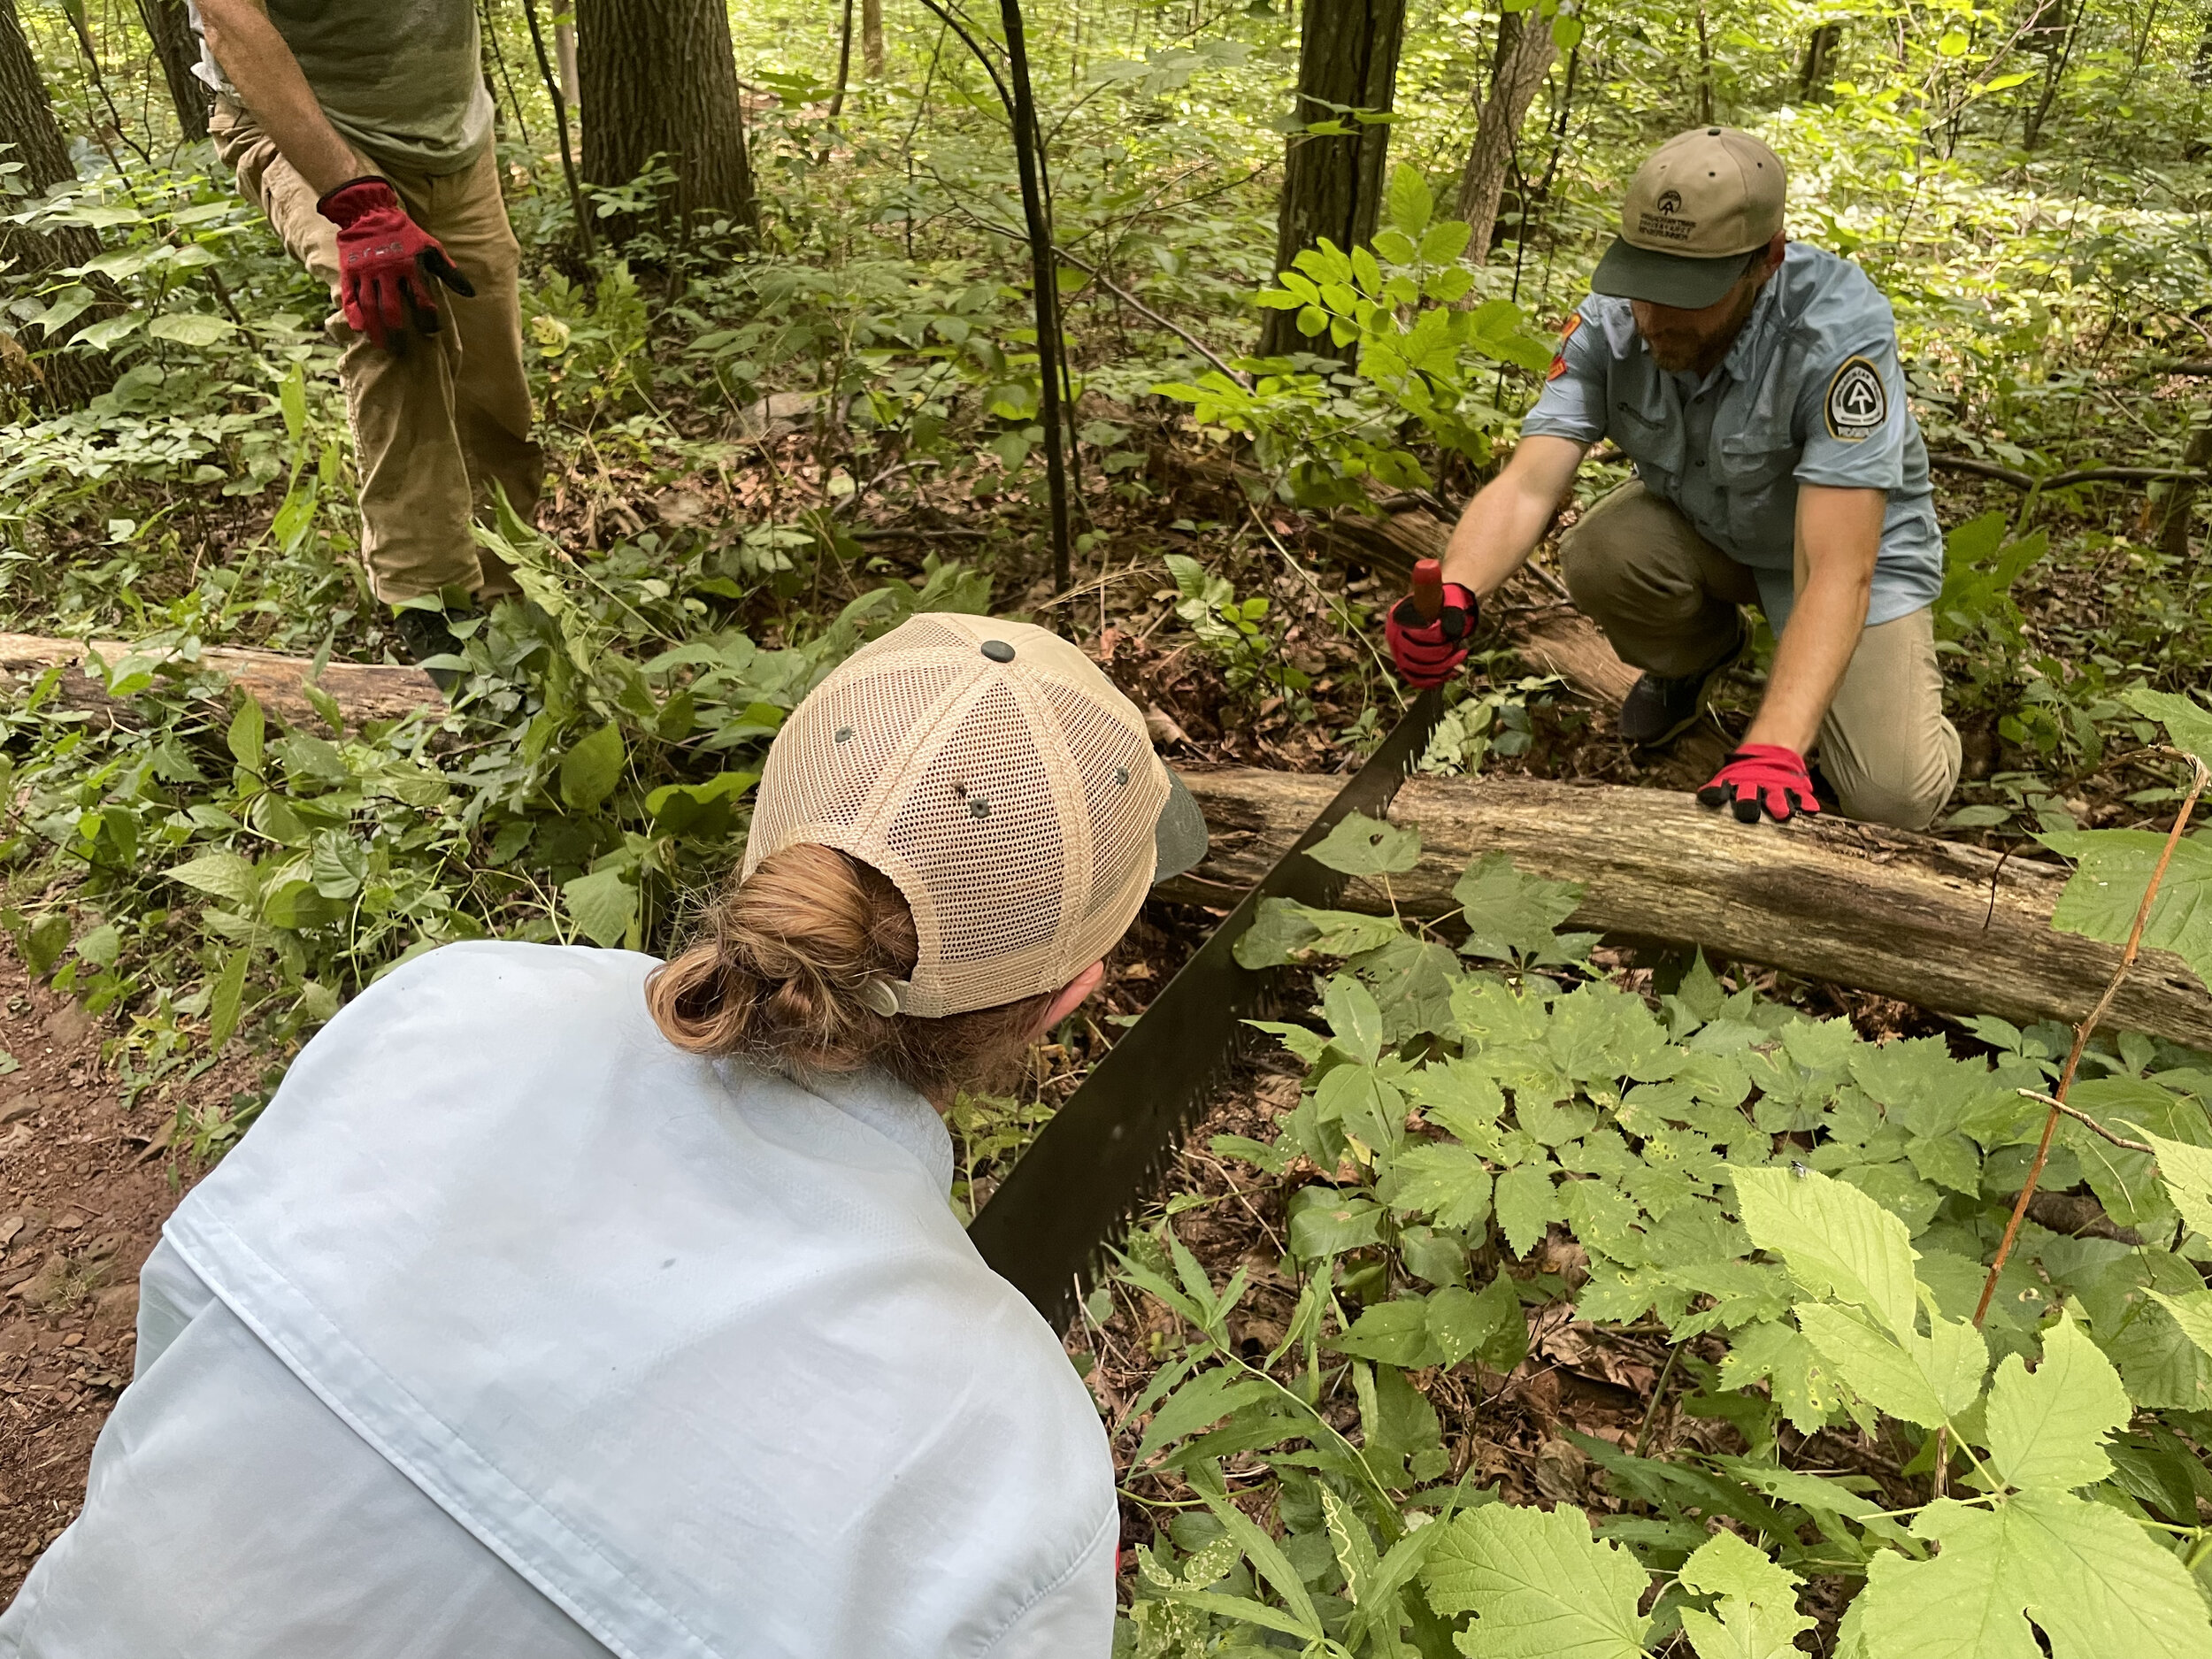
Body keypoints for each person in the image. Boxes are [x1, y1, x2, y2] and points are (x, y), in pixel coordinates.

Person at [0, 613, 1210, 1657]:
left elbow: (181, 1362)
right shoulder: (1011, 1467)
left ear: (774, 846)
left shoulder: (450, 1006)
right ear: (1068, 995)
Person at [1386, 126, 1962, 832]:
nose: (1654, 318)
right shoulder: (1609, 321)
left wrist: (1772, 745)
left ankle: (1903, 712)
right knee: (1602, 551)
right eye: (1643, 283)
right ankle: (1695, 659)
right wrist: (1459, 585)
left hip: (1844, 553)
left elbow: (1841, 568)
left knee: (1893, 797)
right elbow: (1528, 483)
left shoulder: (1837, 335)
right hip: (1718, 532)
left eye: (1688, 292)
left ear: (1766, 260)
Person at [189, 0, 541, 680]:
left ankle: (514, 600)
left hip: (454, 137)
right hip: (311, 134)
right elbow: (227, 16)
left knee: (493, 377)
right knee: (397, 318)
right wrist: (357, 201)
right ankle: (437, 624)